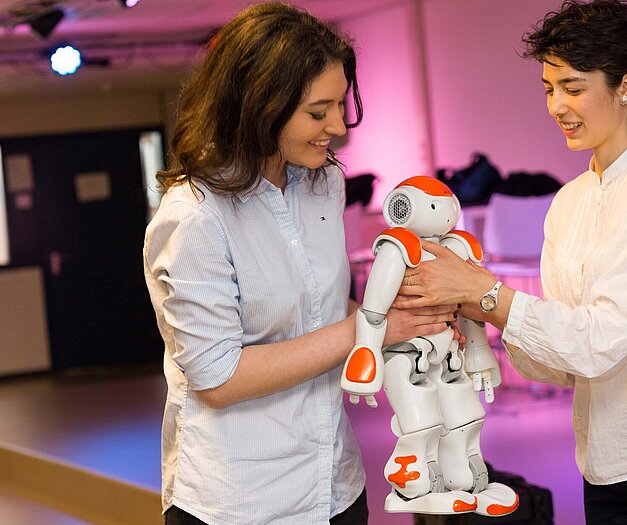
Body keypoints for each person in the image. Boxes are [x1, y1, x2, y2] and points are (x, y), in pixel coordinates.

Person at [395, 1, 627, 523]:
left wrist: (487, 294)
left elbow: (604, 339)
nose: (557, 106)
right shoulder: (567, 202)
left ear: (626, 86)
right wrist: (478, 307)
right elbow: (559, 366)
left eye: (573, 88)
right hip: (603, 461)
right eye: (549, 89)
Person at [143, 4, 458, 524]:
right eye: (318, 112)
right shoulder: (195, 216)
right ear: (259, 106)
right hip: (242, 502)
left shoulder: (322, 182)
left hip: (334, 483)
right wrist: (371, 326)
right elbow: (218, 379)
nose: (338, 125)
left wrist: (412, 316)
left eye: (340, 105)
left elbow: (324, 307)